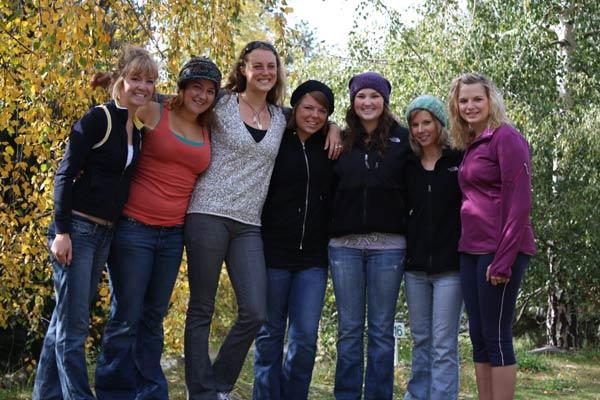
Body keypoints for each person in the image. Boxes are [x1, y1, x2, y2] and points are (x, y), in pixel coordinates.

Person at [183, 41, 341, 400]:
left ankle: (219, 383)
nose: (266, 72)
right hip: (208, 212)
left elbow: (311, 114)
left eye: (272, 66)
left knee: (255, 312)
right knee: (202, 308)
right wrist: (126, 86)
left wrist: (333, 127)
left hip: (249, 225)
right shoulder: (222, 102)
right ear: (243, 68)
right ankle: (203, 393)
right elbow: (176, 101)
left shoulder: (280, 116)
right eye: (258, 65)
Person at [32, 46, 158, 400]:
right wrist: (61, 232)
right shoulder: (98, 119)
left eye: (149, 81)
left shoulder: (137, 127)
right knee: (74, 329)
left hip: (105, 234)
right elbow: (64, 175)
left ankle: (46, 395)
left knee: (63, 323)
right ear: (121, 81)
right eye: (135, 78)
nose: (143, 87)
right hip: (77, 230)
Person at [93, 57, 222, 400]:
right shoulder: (154, 111)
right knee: (126, 316)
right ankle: (112, 393)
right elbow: (125, 103)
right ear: (182, 87)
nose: (203, 95)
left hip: (172, 234)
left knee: (153, 318)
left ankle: (150, 393)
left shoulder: (208, 127)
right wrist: (113, 79)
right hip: (134, 228)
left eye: (210, 90)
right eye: (196, 86)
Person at [447, 73, 536, 400]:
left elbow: (519, 201)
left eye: (477, 99)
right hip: (470, 250)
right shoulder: (472, 144)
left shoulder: (506, 138)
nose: (470, 105)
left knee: (497, 336)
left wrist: (503, 261)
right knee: (479, 336)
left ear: (490, 101)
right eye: (464, 100)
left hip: (500, 250)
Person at [328, 71, 410, 400]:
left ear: (384, 101)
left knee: (380, 330)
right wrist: (332, 127)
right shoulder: (339, 139)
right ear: (352, 100)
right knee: (348, 330)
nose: (367, 102)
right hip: (343, 247)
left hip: (389, 248)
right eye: (361, 96)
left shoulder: (405, 141)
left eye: (374, 96)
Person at [252, 80, 336, 400]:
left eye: (322, 111)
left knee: (304, 340)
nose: (314, 115)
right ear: (295, 107)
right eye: (308, 107)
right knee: (270, 336)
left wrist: (336, 128)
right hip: (272, 254)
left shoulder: (331, 147)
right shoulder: (275, 138)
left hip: (312, 260)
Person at [402, 95, 464, 400]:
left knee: (443, 343)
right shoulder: (408, 164)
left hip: (450, 268)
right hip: (414, 268)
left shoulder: (459, 160)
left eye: (427, 122)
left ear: (439, 123)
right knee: (421, 339)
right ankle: (417, 395)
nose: (421, 129)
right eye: (415, 124)